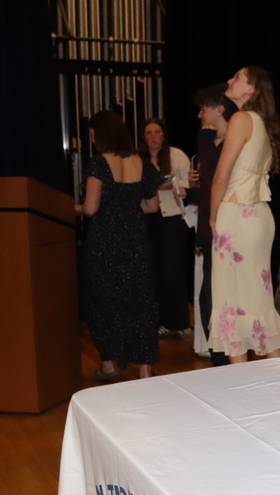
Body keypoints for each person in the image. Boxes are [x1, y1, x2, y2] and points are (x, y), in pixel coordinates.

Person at [207, 66, 280, 362]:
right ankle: (277, 379)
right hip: (259, 215)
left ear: (251, 89)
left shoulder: (241, 119)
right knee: (257, 302)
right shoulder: (262, 121)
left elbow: (221, 177)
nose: (230, 80)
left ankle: (243, 384)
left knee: (231, 303)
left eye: (237, 78)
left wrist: (214, 217)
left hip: (236, 214)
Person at [80, 110, 163, 381]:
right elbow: (152, 206)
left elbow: (91, 208)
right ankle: (145, 369)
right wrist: (127, 207)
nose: (92, 139)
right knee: (140, 302)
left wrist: (73, 207)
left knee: (104, 303)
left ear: (101, 134)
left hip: (104, 244)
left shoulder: (99, 164)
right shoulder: (143, 163)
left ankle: (109, 365)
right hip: (136, 243)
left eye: (93, 134)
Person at [186, 84, 238, 367]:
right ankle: (221, 363)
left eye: (203, 109)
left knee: (219, 303)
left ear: (219, 109)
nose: (199, 115)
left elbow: (224, 184)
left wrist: (204, 138)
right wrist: (193, 188)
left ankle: (227, 363)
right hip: (211, 232)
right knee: (208, 303)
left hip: (225, 232)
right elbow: (211, 189)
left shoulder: (226, 142)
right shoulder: (215, 144)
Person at [139, 117, 193, 338]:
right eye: (149, 133)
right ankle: (157, 321)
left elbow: (189, 183)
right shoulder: (138, 159)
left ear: (164, 134)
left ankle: (180, 322)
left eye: (157, 132)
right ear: (144, 137)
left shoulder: (176, 155)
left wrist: (170, 184)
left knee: (173, 272)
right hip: (147, 218)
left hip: (172, 218)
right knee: (152, 272)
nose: (153, 137)